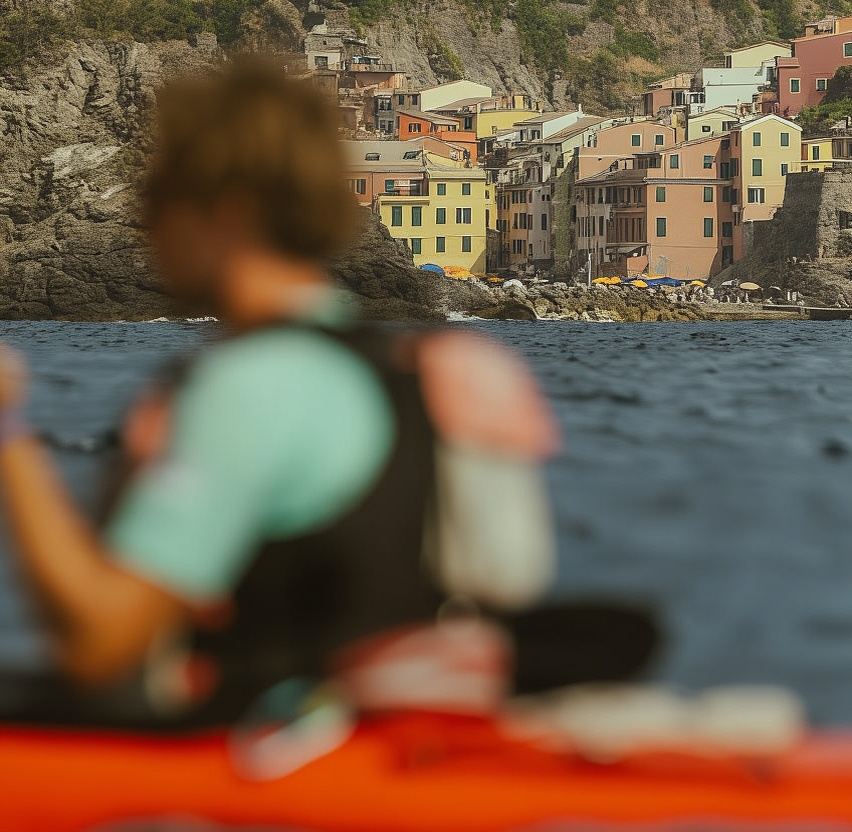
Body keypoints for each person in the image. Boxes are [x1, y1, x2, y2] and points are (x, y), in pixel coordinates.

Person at [0, 58, 561, 724]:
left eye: (158, 199)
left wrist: (9, 433)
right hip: (386, 739)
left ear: (226, 213)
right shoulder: (409, 369)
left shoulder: (252, 388)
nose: (144, 227)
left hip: (260, 750)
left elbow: (100, 643)